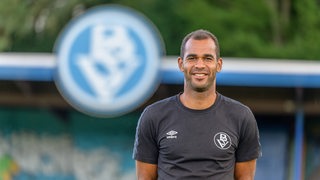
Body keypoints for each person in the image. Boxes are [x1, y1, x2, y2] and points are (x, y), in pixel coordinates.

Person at [132, 29, 261, 180]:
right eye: (192, 58)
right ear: (181, 64)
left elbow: (245, 177)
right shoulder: (153, 116)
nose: (200, 65)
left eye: (207, 58)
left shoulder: (241, 116)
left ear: (218, 64)